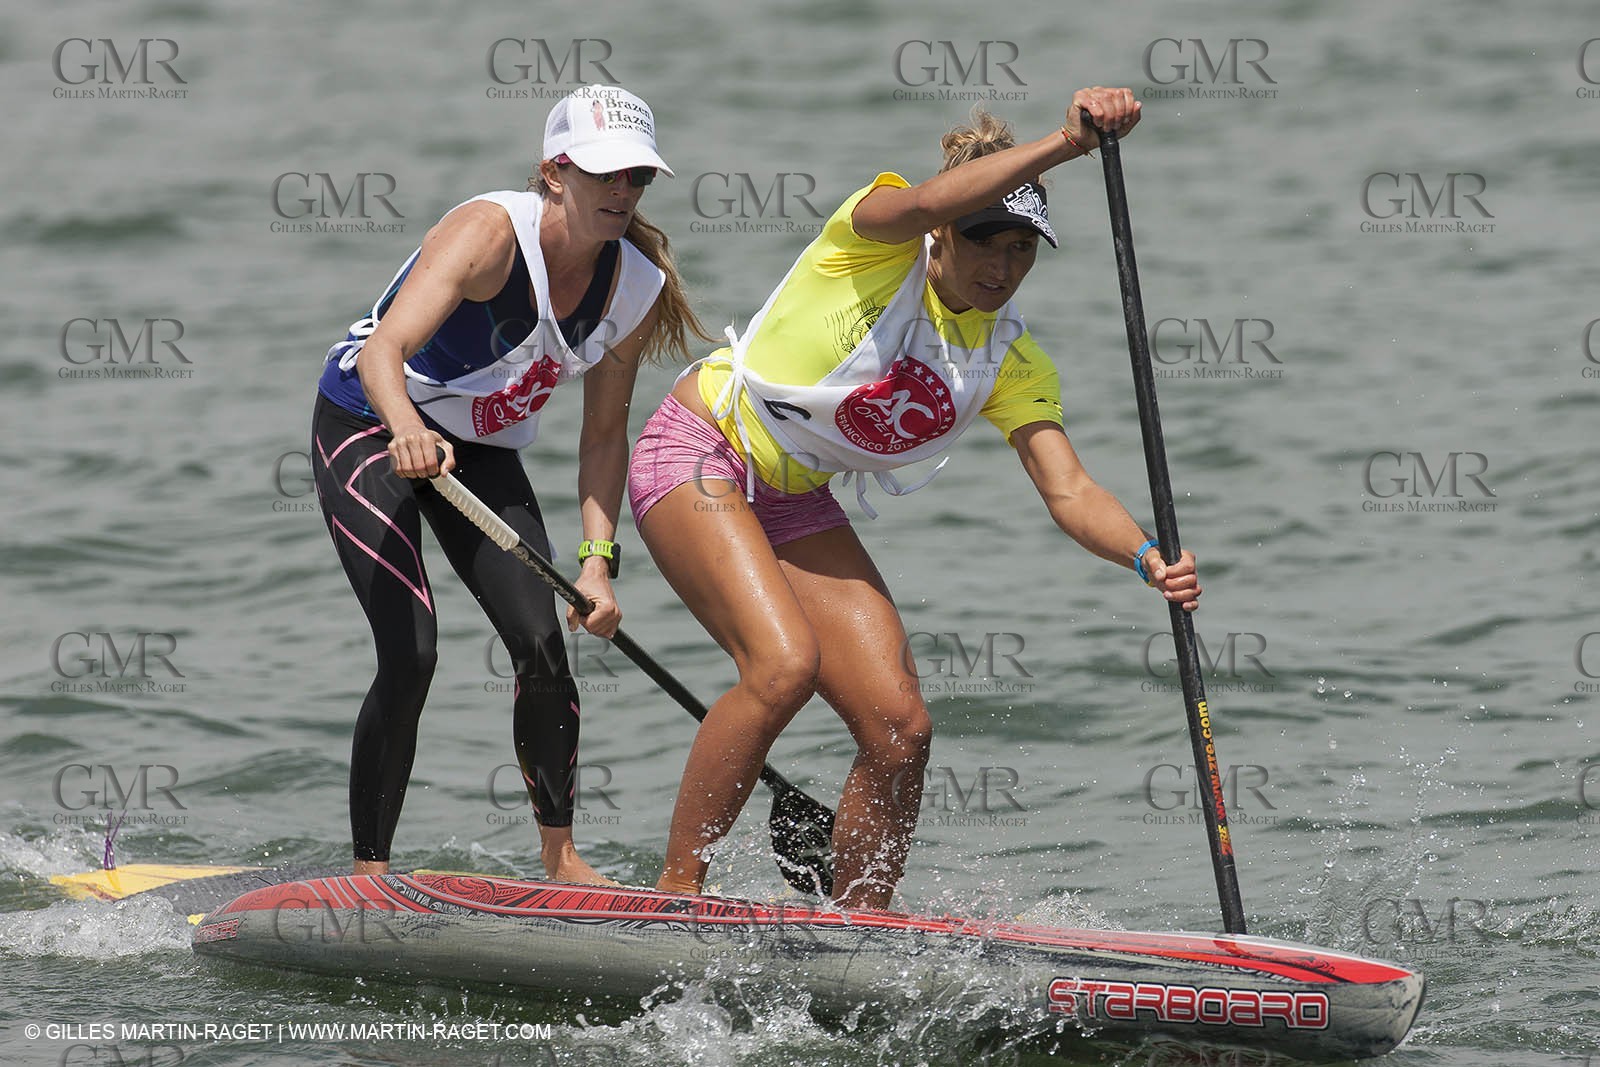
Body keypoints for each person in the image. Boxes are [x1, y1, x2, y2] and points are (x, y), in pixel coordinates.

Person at [628, 87, 1200, 910]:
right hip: (702, 452)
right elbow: (932, 197)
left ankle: (865, 925)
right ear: (940, 234)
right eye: (983, 241)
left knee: (902, 726)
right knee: (783, 665)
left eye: (1021, 249)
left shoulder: (1011, 358)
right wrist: (1066, 144)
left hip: (793, 499)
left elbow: (1068, 488)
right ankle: (677, 893)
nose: (1001, 267)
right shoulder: (870, 239)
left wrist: (1149, 558)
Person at [311, 84, 711, 881]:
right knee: (412, 650)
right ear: (554, 172)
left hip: (482, 451)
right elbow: (382, 351)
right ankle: (370, 875)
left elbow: (602, 438)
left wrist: (597, 560)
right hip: (368, 421)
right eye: (605, 175)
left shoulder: (633, 287)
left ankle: (560, 858)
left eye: (637, 178)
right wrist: (409, 430)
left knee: (541, 644)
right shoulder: (489, 234)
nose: (623, 193)